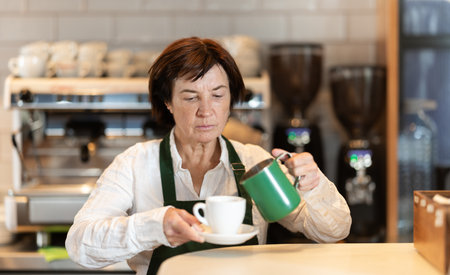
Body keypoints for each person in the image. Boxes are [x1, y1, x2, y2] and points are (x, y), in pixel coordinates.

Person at [65, 37, 351, 275]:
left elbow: (333, 231)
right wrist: (156, 226)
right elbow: (79, 245)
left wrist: (314, 186)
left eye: (218, 95)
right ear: (168, 102)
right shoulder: (136, 163)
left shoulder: (254, 164)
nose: (206, 110)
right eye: (191, 97)